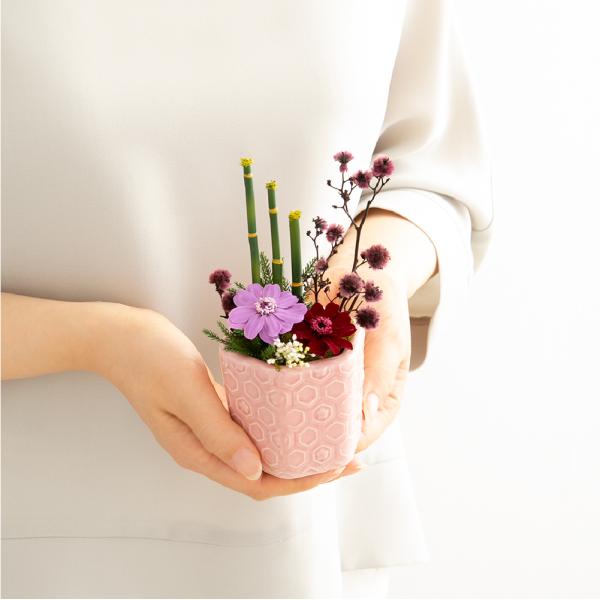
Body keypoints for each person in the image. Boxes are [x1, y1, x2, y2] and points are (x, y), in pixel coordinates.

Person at [1, 0, 492, 597]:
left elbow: (432, 173)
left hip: (310, 537)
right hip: (40, 537)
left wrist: (373, 272)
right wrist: (102, 341)